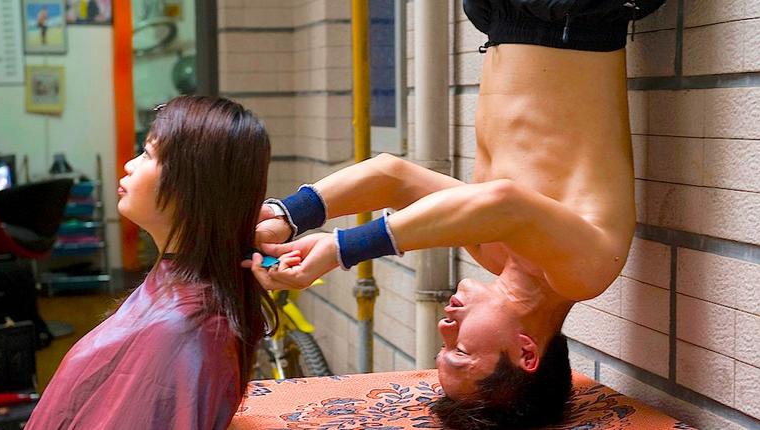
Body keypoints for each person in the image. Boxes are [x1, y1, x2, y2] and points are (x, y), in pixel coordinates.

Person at [246, 1, 665, 428]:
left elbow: (394, 177)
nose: (445, 328)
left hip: (505, 18)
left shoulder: (494, 251)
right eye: (460, 351)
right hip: (572, 14)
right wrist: (343, 249)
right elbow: (504, 203)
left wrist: (286, 215)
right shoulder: (583, 274)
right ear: (526, 353)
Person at [26, 96, 276, 429]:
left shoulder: (183, 330)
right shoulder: (184, 294)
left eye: (147, 154)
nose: (130, 165)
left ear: (190, 185)